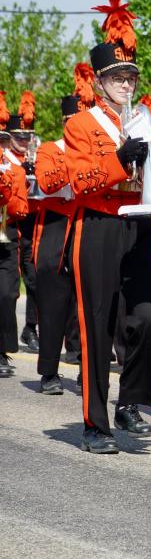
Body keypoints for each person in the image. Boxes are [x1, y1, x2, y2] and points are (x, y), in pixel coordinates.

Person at [64, 0, 151, 454]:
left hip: (138, 225)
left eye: (130, 76)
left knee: (149, 316)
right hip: (99, 225)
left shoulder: (146, 121)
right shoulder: (82, 125)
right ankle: (94, 422)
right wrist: (117, 160)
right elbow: (79, 181)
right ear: (101, 81)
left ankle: (129, 402)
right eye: (117, 76)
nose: (126, 83)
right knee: (98, 324)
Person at [32, 65, 91, 394]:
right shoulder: (50, 149)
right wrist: (77, 162)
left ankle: (87, 367)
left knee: (88, 303)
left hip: (87, 224)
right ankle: (49, 372)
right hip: (56, 226)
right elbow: (46, 181)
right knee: (54, 303)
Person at [4, 92, 40, 354]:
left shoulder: (34, 161)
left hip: (32, 224)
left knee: (34, 280)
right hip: (9, 224)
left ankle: (31, 327)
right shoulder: (8, 163)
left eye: (28, 137)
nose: (24, 141)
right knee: (8, 288)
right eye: (19, 137)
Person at [0, 91, 29, 378]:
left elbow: (21, 209)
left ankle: (2, 349)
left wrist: (6, 191)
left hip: (7, 234)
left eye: (2, 140)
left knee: (8, 294)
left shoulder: (15, 171)